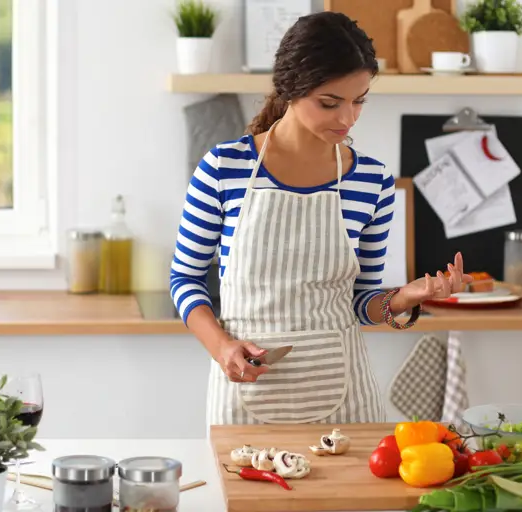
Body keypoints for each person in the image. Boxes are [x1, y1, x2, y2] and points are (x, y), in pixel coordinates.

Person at [170, 11, 472, 426]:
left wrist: (406, 297)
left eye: (359, 100)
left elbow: (362, 303)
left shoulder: (373, 182)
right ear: (290, 89)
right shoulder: (224, 167)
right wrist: (222, 346)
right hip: (246, 396)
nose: (347, 119)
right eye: (330, 103)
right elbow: (184, 279)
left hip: (347, 399)